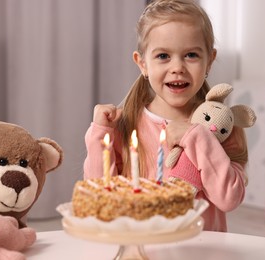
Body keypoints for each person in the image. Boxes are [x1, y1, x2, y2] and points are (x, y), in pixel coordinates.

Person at [83, 0, 248, 232]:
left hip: (201, 250)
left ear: (209, 60)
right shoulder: (126, 124)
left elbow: (229, 198)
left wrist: (197, 137)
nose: (177, 67)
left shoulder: (221, 127)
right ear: (142, 64)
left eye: (191, 55)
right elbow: (100, 195)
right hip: (143, 249)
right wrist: (100, 135)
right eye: (163, 56)